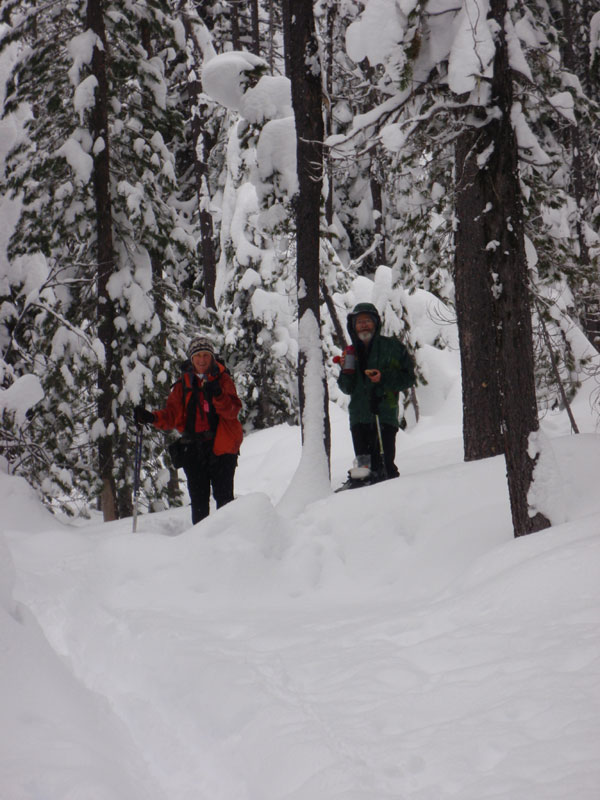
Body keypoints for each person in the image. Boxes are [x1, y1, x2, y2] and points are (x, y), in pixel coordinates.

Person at [134, 336, 243, 524]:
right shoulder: (183, 384)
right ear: (191, 359)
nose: (202, 360)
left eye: (206, 355)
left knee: (224, 501)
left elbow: (232, 411)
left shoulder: (224, 380)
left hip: (222, 449)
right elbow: (172, 414)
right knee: (199, 504)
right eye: (198, 355)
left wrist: (218, 394)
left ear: (212, 357)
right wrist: (151, 418)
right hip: (194, 450)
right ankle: (200, 547)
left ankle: (227, 544)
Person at [337, 302, 415, 484]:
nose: (363, 325)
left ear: (375, 323)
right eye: (359, 322)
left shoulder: (392, 348)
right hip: (359, 417)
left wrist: (383, 378)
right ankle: (358, 488)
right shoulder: (350, 352)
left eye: (367, 321)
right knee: (363, 467)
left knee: (385, 466)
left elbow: (408, 378)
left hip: (384, 414)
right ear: (353, 326)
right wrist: (346, 371)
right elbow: (346, 388)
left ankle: (391, 495)